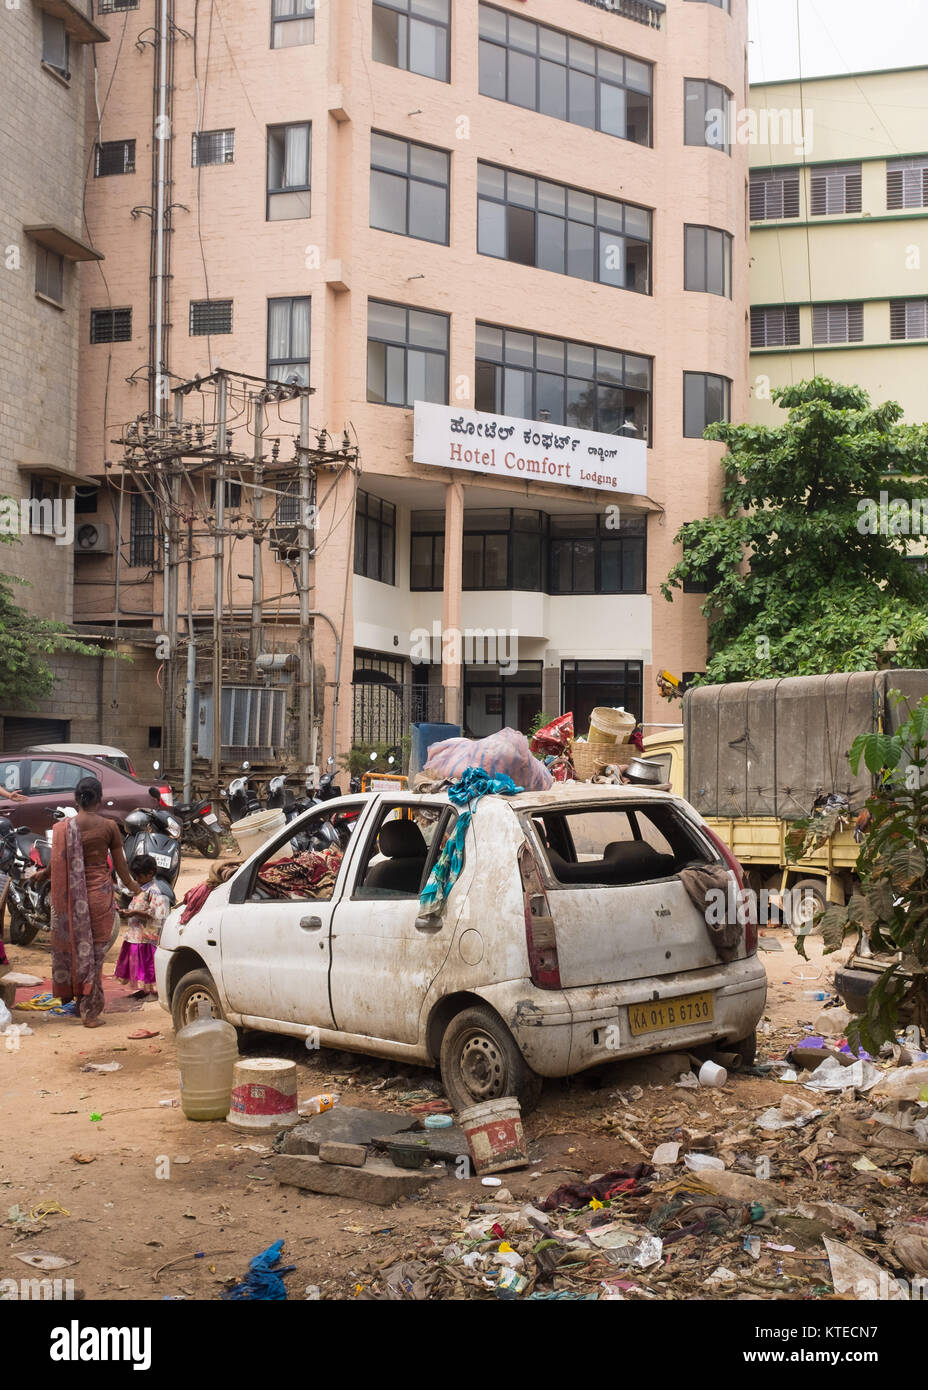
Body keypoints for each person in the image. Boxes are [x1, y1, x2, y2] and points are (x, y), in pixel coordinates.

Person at [49, 776, 140, 1028]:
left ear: (76, 799)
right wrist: (136, 888)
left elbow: (55, 864)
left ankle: (81, 1003)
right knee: (96, 956)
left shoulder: (62, 828)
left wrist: (41, 875)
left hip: (69, 899)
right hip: (99, 897)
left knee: (77, 951)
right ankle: (90, 1012)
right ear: (99, 799)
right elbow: (121, 868)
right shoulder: (109, 826)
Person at [113, 854, 167, 997]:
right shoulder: (142, 889)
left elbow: (156, 914)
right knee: (139, 964)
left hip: (146, 936)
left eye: (140, 876)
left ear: (150, 873)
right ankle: (144, 989)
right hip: (136, 934)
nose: (136, 880)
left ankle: (151, 991)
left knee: (147, 964)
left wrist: (134, 913)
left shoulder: (153, 891)